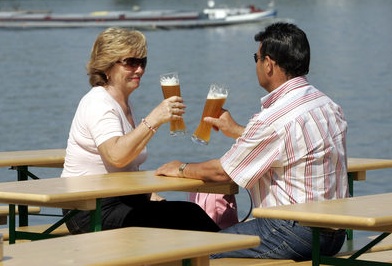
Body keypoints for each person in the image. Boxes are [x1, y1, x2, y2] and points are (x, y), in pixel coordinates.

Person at [156, 22, 348, 260]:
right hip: (336, 233)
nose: (255, 64)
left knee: (191, 251)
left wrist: (181, 168)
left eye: (255, 58)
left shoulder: (273, 118)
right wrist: (237, 130)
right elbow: (289, 144)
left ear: (268, 64)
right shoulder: (327, 105)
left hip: (291, 231)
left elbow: (223, 173)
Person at [61, 27, 219, 234]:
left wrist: (149, 194)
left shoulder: (123, 104)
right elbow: (116, 156)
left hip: (121, 201)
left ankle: (227, 253)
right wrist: (154, 119)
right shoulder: (98, 102)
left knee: (188, 213)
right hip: (90, 210)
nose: (140, 70)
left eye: (143, 62)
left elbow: (125, 167)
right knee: (187, 217)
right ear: (107, 66)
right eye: (131, 63)